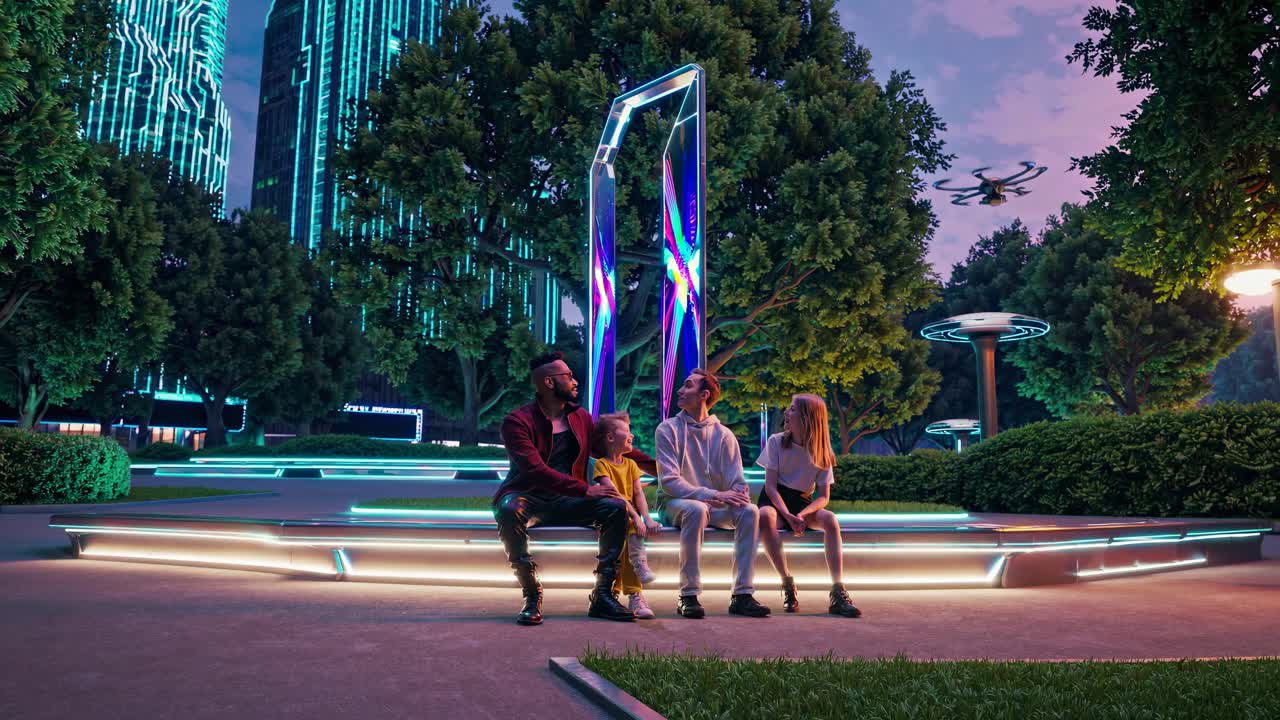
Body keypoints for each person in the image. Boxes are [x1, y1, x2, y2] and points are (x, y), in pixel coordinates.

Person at [493, 351, 657, 626]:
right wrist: (584, 490)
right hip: (529, 496)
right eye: (568, 376)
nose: (574, 380)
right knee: (509, 509)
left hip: (569, 499)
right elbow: (534, 469)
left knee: (615, 507)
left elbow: (613, 448)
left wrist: (664, 471)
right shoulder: (517, 422)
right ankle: (532, 594)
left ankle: (603, 595)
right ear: (548, 382)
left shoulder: (580, 417)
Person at [656, 369, 771, 619]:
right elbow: (669, 483)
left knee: (751, 511)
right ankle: (688, 595)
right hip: (674, 505)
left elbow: (737, 483)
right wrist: (716, 494)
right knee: (696, 509)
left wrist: (736, 494)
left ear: (703, 395)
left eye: (687, 386)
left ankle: (742, 594)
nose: (679, 390)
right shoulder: (668, 430)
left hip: (713, 506)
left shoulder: (724, 435)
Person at [756, 394, 861, 618]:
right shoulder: (776, 442)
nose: (786, 413)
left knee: (831, 519)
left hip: (802, 502)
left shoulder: (822, 452)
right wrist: (787, 515)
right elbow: (771, 487)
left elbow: (823, 496)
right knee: (764, 517)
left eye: (792, 410)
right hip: (775, 500)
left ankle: (838, 590)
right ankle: (787, 582)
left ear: (807, 417)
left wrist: (802, 514)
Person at [590, 412, 661, 619]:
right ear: (610, 438)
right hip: (616, 514)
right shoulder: (602, 465)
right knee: (626, 529)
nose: (632, 436)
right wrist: (636, 517)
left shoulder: (631, 464)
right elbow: (615, 494)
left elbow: (638, 493)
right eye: (626, 431)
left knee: (628, 535)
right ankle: (635, 583)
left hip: (629, 516)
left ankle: (625, 591)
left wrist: (646, 517)